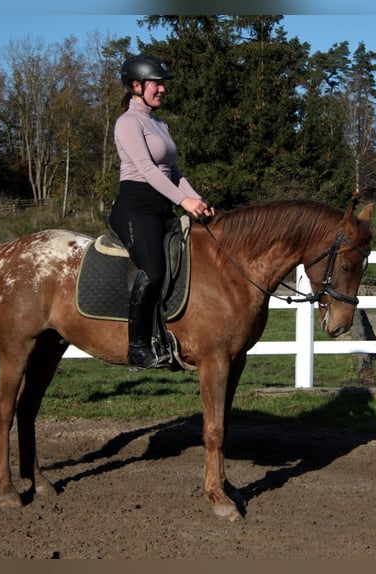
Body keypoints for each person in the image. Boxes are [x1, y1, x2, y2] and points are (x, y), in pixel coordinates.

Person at [109, 54, 215, 370]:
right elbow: (147, 169)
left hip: (161, 205)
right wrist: (184, 203)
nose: (163, 90)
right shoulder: (128, 122)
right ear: (137, 86)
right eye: (157, 84)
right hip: (135, 207)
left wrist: (199, 201)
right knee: (153, 271)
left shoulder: (158, 123)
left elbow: (174, 172)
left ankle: (172, 337)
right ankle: (137, 348)